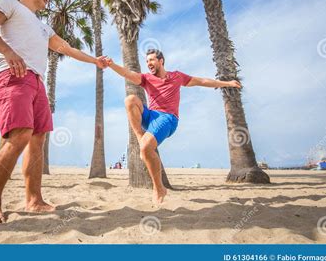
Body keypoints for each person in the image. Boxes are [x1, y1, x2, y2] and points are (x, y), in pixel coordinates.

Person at [0, 0, 108, 223]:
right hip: (12, 75)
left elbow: (66, 48)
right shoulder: (9, 3)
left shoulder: (42, 26)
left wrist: (95, 61)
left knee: (38, 139)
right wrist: (7, 52)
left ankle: (34, 200)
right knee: (20, 134)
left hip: (37, 82)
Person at [102, 49, 241, 203]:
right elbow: (128, 74)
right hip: (151, 116)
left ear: (161, 61)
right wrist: (112, 65)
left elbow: (201, 81)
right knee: (130, 100)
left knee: (146, 148)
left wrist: (227, 83)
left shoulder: (177, 76)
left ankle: (158, 188)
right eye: (147, 61)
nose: (148, 64)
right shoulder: (147, 78)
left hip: (168, 118)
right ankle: (140, 137)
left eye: (152, 60)